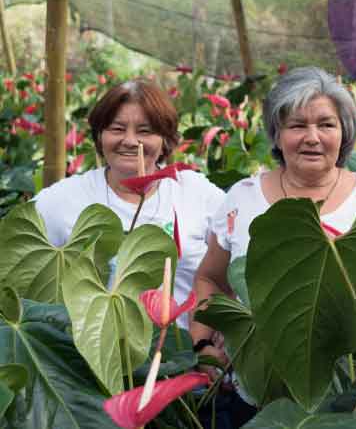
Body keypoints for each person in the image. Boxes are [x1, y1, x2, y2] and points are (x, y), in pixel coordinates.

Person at [191, 67, 356, 421]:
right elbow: (210, 279)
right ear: (277, 133)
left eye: (326, 125)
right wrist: (204, 345)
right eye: (297, 125)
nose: (312, 137)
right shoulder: (243, 198)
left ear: (344, 132)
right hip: (261, 398)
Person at [34, 79, 225, 324]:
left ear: (165, 140)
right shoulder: (66, 198)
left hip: (184, 352)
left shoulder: (194, 191)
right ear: (100, 136)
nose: (130, 141)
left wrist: (208, 343)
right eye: (117, 129)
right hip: (96, 353)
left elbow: (234, 265)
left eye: (145, 131)